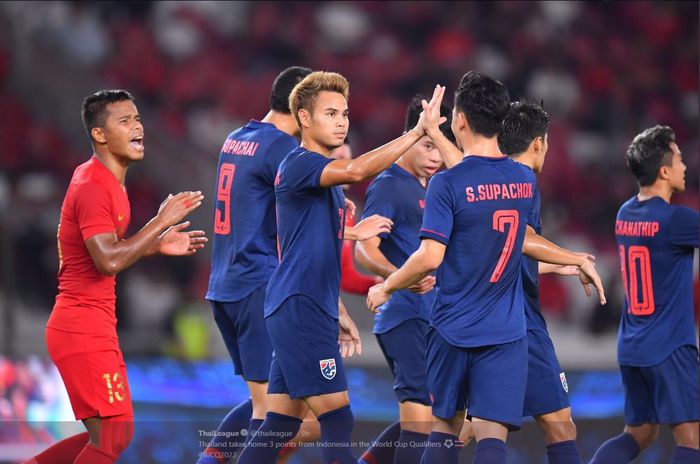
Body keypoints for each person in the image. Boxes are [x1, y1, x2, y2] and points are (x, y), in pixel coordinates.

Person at [366, 71, 606, 464]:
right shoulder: (524, 183)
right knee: (492, 435)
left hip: (450, 328)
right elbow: (512, 237)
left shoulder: (446, 183)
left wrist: (387, 286)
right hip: (505, 331)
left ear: (459, 120)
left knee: (444, 430)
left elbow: (430, 256)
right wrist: (570, 258)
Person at [236, 73, 446, 464]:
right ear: (303, 117)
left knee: (279, 425)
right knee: (337, 418)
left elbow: (308, 243)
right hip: (299, 307)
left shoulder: (319, 178)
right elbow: (355, 171)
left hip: (305, 305)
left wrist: (337, 303)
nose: (341, 122)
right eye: (330, 113)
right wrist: (418, 132)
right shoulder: (300, 162)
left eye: (345, 113)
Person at [201, 66, 389, 464]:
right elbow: (295, 224)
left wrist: (338, 215)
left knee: (281, 413)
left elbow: (279, 215)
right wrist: (348, 225)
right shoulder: (285, 150)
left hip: (226, 282)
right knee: (284, 413)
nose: (338, 123)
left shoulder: (237, 139)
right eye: (330, 111)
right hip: (263, 283)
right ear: (302, 109)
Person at [25, 89, 207, 464]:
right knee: (113, 435)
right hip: (81, 324)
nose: (138, 127)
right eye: (125, 121)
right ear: (100, 134)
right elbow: (107, 260)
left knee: (109, 436)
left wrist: (154, 244)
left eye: (137, 118)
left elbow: (101, 251)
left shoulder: (106, 179)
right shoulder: (94, 186)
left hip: (93, 323)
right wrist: (159, 222)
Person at [355, 95, 455, 464]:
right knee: (421, 417)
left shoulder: (424, 186)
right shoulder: (390, 185)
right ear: (409, 136)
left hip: (425, 317)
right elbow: (363, 249)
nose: (435, 157)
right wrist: (395, 279)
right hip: (406, 314)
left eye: (440, 149)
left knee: (434, 415)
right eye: (428, 145)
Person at [590, 125, 699, 464]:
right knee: (691, 438)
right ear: (664, 171)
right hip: (670, 345)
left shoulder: (625, 214)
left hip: (633, 346)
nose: (684, 167)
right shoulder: (676, 220)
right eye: (679, 160)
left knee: (639, 432)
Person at [498, 101, 586, 464]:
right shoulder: (523, 181)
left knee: (467, 426)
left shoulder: (484, 181)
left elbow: (502, 253)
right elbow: (522, 238)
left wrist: (549, 268)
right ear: (538, 144)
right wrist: (573, 257)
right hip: (522, 323)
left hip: (483, 317)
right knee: (561, 426)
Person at [332, 139, 383, 296]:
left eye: (349, 160)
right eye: (340, 159)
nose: (348, 166)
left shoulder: (346, 211)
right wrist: (354, 233)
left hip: (320, 302)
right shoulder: (300, 198)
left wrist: (379, 284)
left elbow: (344, 277)